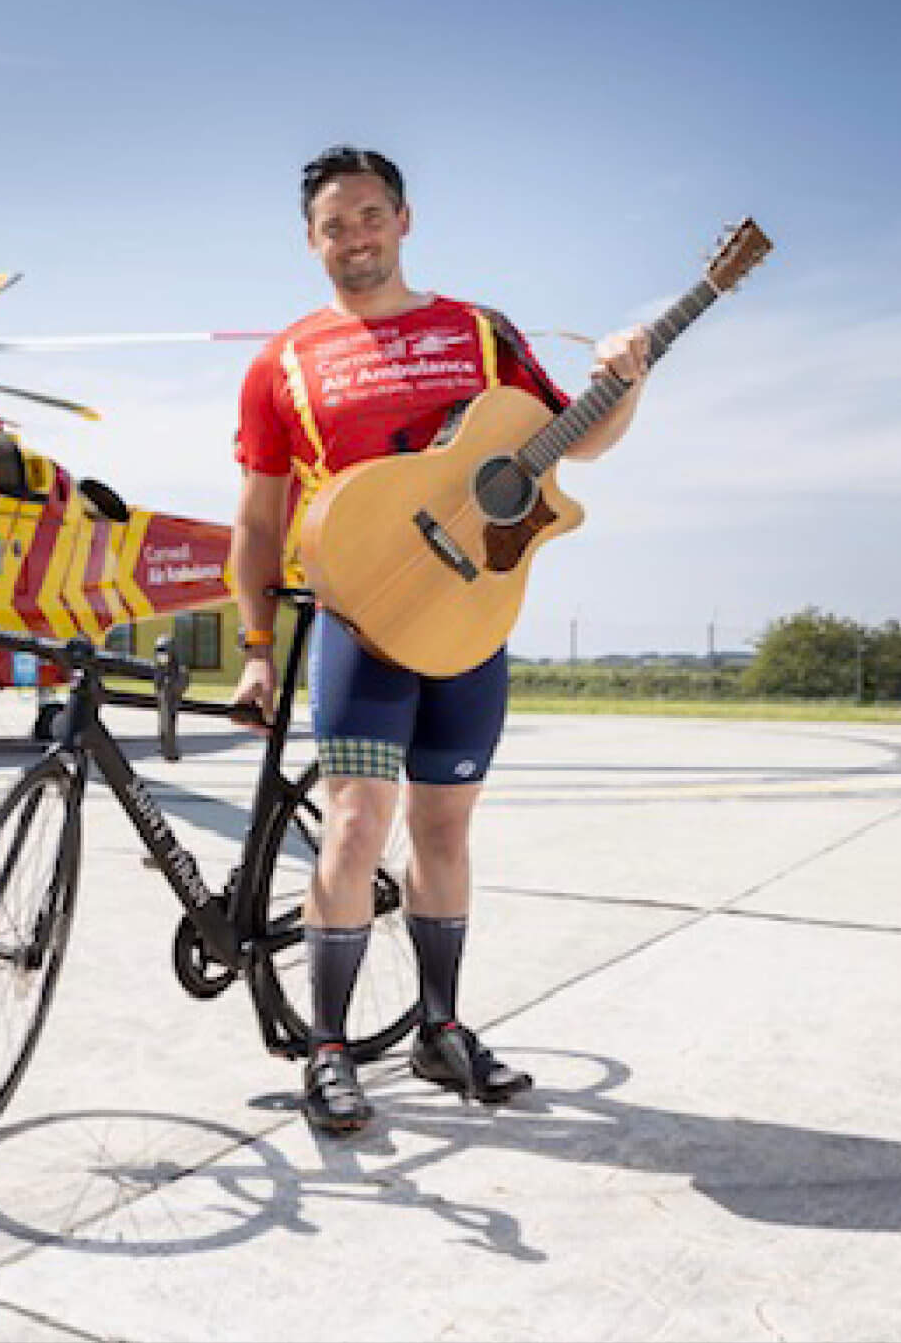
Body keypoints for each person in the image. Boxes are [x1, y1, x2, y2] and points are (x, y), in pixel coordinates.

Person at [228, 145, 652, 1134]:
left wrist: (625, 379)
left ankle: (440, 1026)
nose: (355, 237)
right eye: (335, 224)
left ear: (404, 219)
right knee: (355, 822)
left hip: (468, 623)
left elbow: (575, 438)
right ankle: (328, 1050)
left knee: (446, 830)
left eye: (371, 215)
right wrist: (255, 643)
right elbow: (256, 517)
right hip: (359, 622)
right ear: (311, 240)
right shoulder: (282, 361)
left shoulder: (478, 330)